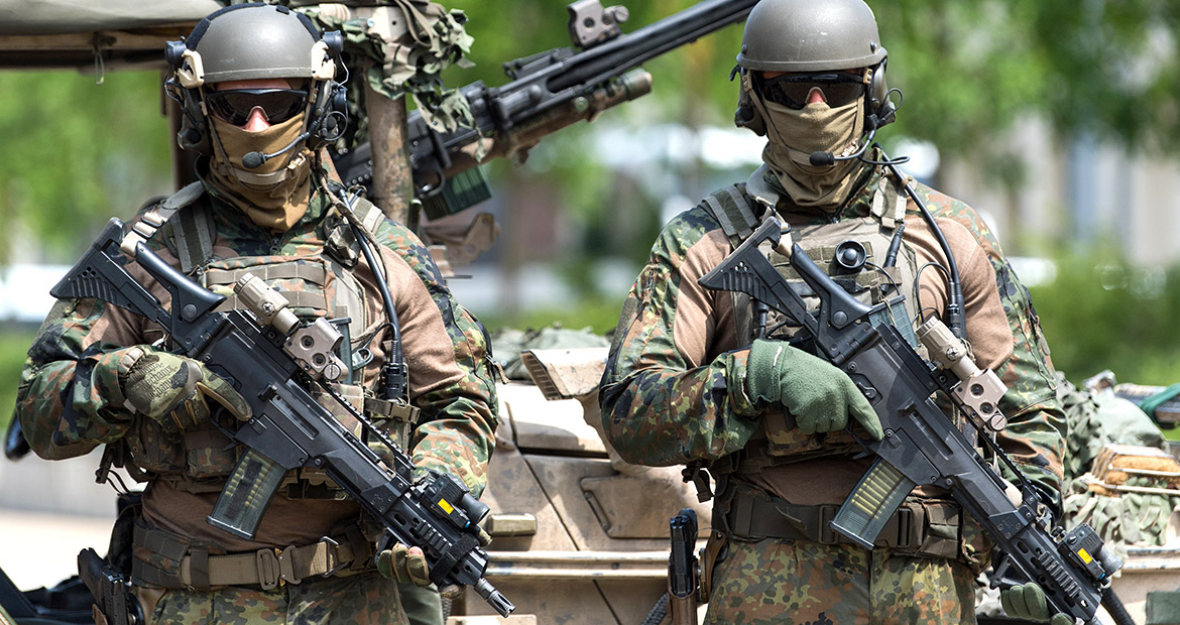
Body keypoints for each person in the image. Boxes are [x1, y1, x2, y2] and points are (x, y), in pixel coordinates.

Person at [14, 4, 497, 624]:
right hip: (185, 599)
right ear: (198, 110)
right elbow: (39, 409)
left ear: (318, 104)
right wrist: (128, 378)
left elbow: (461, 401)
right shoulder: (153, 253)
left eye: (278, 101)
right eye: (235, 106)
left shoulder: (381, 253)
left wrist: (429, 484)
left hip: (351, 599)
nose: (258, 123)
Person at [599, 0, 1070, 623]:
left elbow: (1028, 412)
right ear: (754, 94)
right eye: (792, 87)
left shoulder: (952, 236)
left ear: (871, 88)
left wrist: (1032, 540)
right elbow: (630, 412)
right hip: (770, 587)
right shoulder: (705, 241)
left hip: (929, 595)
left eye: (838, 85)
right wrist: (753, 377)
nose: (816, 106)